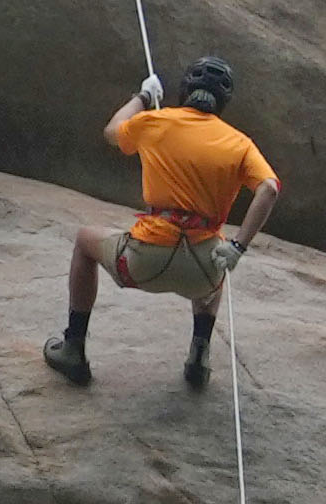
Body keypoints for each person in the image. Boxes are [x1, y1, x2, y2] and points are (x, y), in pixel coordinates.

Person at [45, 54, 275, 391]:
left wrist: (142, 97)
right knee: (218, 251)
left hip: (143, 261)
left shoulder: (157, 121)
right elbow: (269, 189)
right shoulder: (240, 144)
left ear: (186, 90)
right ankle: (199, 356)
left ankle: (73, 349)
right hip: (201, 275)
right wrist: (239, 246)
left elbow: (112, 132)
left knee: (84, 241)